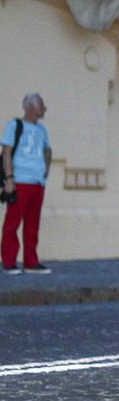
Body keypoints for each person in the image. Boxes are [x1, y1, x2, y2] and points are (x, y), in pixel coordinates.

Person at [2, 93, 52, 274]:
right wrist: (9, 179)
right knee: (12, 223)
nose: (44, 109)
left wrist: (45, 171)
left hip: (37, 183)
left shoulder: (42, 129)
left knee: (32, 224)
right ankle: (9, 262)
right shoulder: (15, 125)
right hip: (20, 181)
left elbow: (47, 150)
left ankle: (31, 262)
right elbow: (6, 152)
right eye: (41, 105)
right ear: (31, 107)